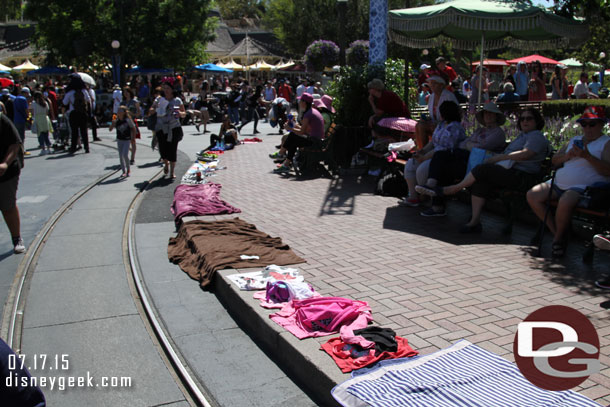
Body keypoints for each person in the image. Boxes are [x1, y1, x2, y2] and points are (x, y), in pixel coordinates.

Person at [418, 108, 550, 233]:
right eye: (522, 119)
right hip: (506, 169)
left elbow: (527, 154)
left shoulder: (535, 136)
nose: (525, 121)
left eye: (529, 119)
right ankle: (474, 222)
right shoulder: (522, 136)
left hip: (521, 176)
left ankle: (453, 189)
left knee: (481, 170)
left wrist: (499, 157)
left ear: (537, 121)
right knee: (478, 178)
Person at [526, 106, 610, 257]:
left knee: (565, 201)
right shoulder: (574, 140)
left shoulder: (606, 143)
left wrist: (587, 156)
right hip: (558, 182)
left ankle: (557, 240)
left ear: (601, 124)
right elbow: (555, 160)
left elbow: (607, 170)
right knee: (532, 195)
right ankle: (558, 233)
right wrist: (567, 156)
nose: (587, 128)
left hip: (584, 188)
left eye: (592, 124)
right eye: (584, 124)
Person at [415, 102, 507, 210]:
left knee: (443, 162)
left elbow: (482, 147)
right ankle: (434, 198)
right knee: (441, 159)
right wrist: (470, 145)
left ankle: (435, 200)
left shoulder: (498, 133)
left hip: (478, 165)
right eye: (486, 113)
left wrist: (470, 145)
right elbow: (463, 144)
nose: (488, 115)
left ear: (496, 116)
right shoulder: (480, 130)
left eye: (491, 113)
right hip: (467, 158)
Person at [398, 101, 466, 211]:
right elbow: (433, 142)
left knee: (422, 170)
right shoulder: (441, 125)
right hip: (433, 155)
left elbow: (442, 149)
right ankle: (414, 197)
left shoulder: (455, 128)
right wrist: (422, 151)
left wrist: (424, 158)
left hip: (444, 159)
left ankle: (425, 196)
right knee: (410, 164)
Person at [273, 93, 324, 174]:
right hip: (316, 140)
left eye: (300, 101)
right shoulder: (312, 111)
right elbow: (305, 130)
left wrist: (290, 128)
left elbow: (302, 132)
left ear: (304, 102)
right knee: (293, 139)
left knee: (293, 137)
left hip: (315, 142)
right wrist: (294, 125)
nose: (299, 102)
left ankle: (281, 154)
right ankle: (285, 163)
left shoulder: (308, 114)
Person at [0, 111, 26, 254]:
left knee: (7, 205)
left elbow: (15, 144)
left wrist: (5, 163)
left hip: (6, 172)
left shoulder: (2, 120)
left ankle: (17, 239)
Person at [151, 80, 185, 179]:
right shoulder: (159, 99)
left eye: (168, 88)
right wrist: (155, 109)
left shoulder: (177, 100)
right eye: (164, 88)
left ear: (172, 89)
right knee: (163, 149)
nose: (166, 90)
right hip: (161, 128)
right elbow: (151, 110)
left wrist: (180, 113)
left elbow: (184, 113)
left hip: (174, 127)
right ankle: (166, 164)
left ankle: (172, 172)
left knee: (172, 149)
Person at [414, 74, 458, 149]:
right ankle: (421, 150)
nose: (431, 85)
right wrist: (428, 119)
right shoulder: (431, 97)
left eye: (434, 83)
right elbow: (433, 115)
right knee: (419, 125)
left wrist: (439, 124)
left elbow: (454, 115)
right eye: (430, 83)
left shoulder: (449, 96)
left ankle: (425, 151)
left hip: (447, 126)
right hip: (436, 124)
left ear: (441, 85)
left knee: (428, 127)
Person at [366, 78, 409, 146]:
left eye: (370, 88)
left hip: (400, 117)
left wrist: (371, 102)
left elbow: (379, 113)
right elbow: (381, 112)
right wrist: (372, 117)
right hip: (392, 117)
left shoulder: (385, 96)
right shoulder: (380, 97)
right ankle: (375, 140)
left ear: (374, 89)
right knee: (374, 121)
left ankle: (380, 139)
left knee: (377, 121)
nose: (368, 90)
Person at [63, 75, 92, 154]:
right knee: (84, 131)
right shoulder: (84, 91)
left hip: (73, 113)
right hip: (83, 113)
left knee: (74, 131)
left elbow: (64, 102)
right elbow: (89, 100)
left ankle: (73, 147)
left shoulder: (70, 92)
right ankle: (87, 147)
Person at [109, 106, 136, 177]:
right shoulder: (116, 120)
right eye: (118, 111)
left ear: (124, 112)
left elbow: (133, 128)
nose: (118, 112)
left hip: (127, 139)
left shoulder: (127, 120)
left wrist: (133, 138)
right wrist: (112, 124)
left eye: (120, 110)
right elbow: (110, 129)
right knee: (121, 156)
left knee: (125, 154)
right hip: (119, 139)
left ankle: (128, 169)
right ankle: (123, 171)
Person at [122, 87, 141, 164]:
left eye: (127, 92)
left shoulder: (134, 102)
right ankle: (129, 151)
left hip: (132, 121)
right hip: (124, 123)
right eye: (125, 92)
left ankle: (132, 158)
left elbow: (139, 112)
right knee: (126, 141)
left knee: (133, 140)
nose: (126, 94)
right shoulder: (122, 103)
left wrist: (133, 114)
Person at [13, 87, 29, 154]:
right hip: (21, 119)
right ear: (25, 93)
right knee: (21, 136)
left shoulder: (16, 98)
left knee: (17, 135)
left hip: (16, 119)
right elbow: (26, 110)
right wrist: (28, 117)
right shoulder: (23, 99)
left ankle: (18, 149)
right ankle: (21, 150)